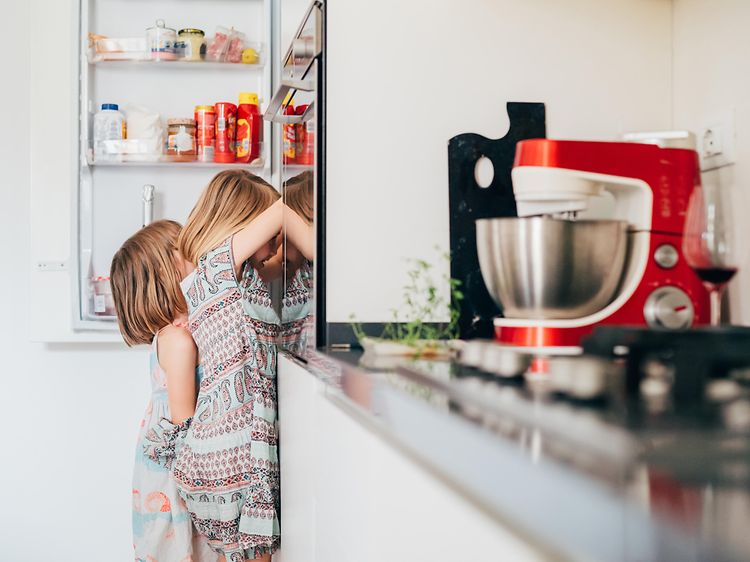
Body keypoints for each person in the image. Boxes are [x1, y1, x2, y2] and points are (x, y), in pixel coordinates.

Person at [173, 170, 312, 561]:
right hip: (233, 457)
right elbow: (283, 213)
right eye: (271, 236)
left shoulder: (224, 284)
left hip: (219, 453)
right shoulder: (215, 269)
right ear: (244, 223)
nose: (279, 243)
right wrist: (330, 254)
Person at [109, 220, 218, 562]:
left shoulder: (175, 334)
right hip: (178, 476)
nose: (198, 258)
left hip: (168, 467)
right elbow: (186, 430)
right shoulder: (179, 341)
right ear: (167, 274)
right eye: (186, 252)